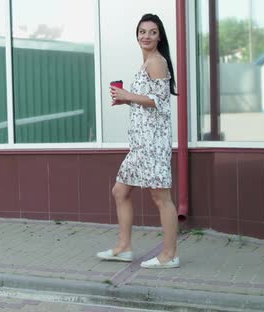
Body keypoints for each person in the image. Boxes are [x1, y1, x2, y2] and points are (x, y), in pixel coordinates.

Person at [96, 14, 179, 269]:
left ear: (159, 36)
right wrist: (127, 99)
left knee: (160, 197)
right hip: (140, 144)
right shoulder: (146, 63)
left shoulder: (157, 62)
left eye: (152, 32)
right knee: (120, 191)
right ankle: (124, 248)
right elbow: (148, 99)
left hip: (153, 143)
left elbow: (159, 101)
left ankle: (169, 255)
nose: (146, 36)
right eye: (142, 31)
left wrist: (127, 94)